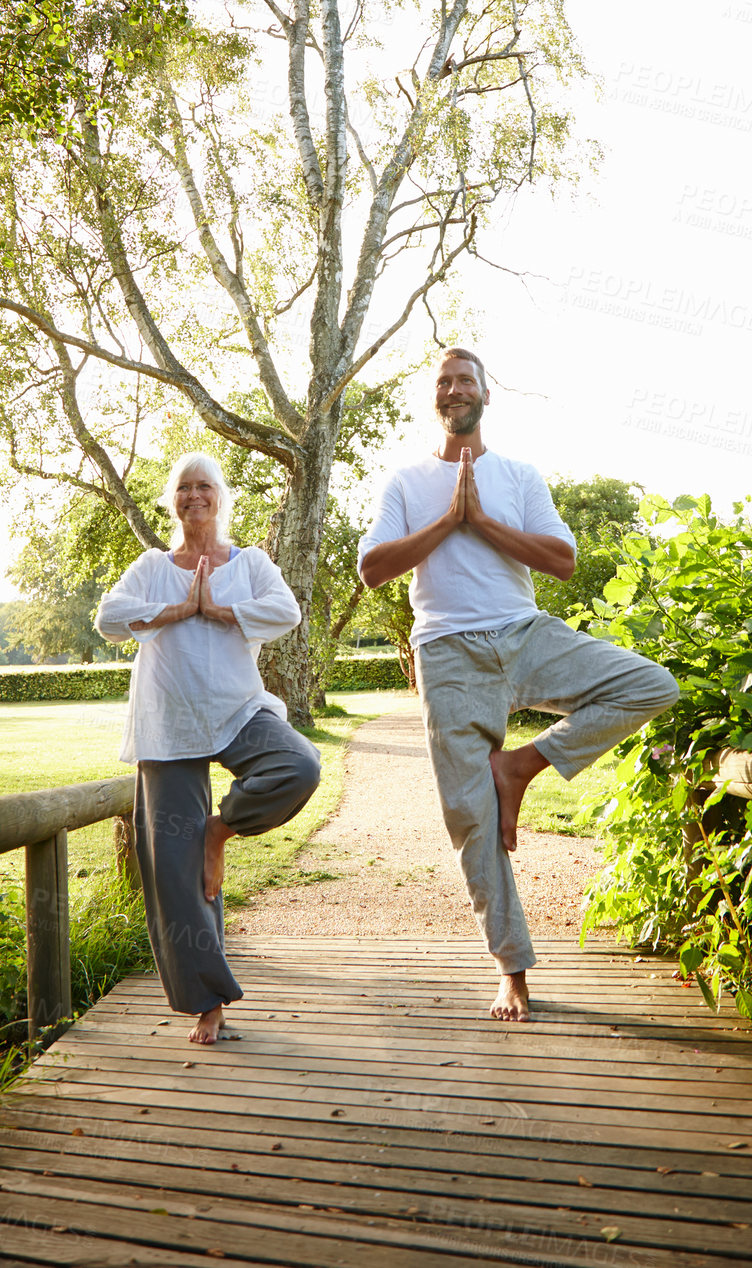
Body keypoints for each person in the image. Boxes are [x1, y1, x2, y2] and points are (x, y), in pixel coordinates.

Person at [358, 347, 679, 1022]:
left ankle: (521, 768)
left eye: (465, 379)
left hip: (525, 635)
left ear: (484, 395)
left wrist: (484, 523)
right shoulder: (406, 482)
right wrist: (448, 522)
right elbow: (373, 570)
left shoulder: (520, 476)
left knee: (651, 685)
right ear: (435, 398)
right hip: (447, 653)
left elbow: (562, 561)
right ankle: (513, 970)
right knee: (471, 823)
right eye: (443, 381)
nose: (454, 389)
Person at [95, 452, 320, 1045]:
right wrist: (176, 610)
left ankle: (220, 830)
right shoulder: (150, 566)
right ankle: (208, 1003)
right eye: (183, 488)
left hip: (238, 709)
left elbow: (286, 611)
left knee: (298, 765)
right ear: (173, 500)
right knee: (174, 870)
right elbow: (109, 618)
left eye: (205, 486)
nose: (194, 496)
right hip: (168, 723)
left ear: (221, 496)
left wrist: (218, 609)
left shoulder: (250, 563)